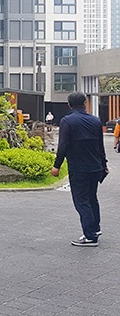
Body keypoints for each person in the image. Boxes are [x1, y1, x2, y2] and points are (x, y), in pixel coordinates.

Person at [51, 91, 108, 247]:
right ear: (85, 103)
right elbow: (100, 146)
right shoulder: (96, 121)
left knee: (81, 201)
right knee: (92, 198)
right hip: (95, 167)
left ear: (69, 105)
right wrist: (104, 165)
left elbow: (63, 145)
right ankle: (95, 228)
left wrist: (56, 166)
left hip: (79, 168)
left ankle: (90, 237)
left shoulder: (67, 121)